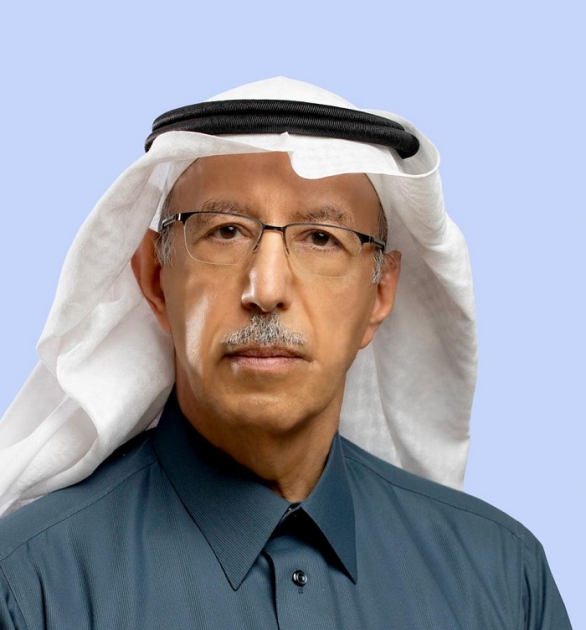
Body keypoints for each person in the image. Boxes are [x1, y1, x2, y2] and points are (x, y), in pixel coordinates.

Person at [0, 77, 572, 629]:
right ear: (155, 277)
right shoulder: (31, 586)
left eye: (321, 237)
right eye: (225, 231)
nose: (267, 288)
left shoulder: (503, 578)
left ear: (380, 294)